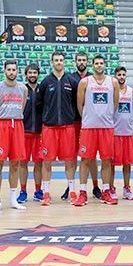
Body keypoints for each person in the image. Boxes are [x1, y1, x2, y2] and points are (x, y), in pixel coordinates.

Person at [36, 51, 79, 206]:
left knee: (70, 161)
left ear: (64, 62)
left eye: (61, 60)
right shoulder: (46, 82)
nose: (59, 62)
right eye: (56, 60)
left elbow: (77, 102)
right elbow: (39, 104)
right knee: (47, 161)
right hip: (49, 128)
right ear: (52, 62)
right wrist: (48, 116)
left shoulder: (72, 81)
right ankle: (46, 193)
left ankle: (72, 191)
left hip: (68, 127)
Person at [77, 55, 120, 205]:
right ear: (92, 65)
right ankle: (82, 192)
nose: (99, 65)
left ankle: (106, 191)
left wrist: (105, 116)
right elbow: (80, 104)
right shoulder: (85, 82)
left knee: (106, 160)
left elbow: (115, 104)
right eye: (96, 63)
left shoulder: (113, 82)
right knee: (85, 160)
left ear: (105, 65)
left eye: (101, 63)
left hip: (106, 127)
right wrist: (89, 117)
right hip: (89, 127)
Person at [0, 60, 27, 212]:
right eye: (9, 69)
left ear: (17, 71)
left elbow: (22, 107)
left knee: (15, 163)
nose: (11, 72)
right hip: (1, 125)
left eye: (14, 69)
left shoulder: (22, 89)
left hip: (17, 124)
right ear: (4, 71)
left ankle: (13, 199)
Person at [64, 52, 93, 200]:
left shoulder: (93, 78)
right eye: (79, 60)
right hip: (74, 121)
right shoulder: (70, 78)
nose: (81, 62)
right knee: (72, 155)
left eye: (84, 60)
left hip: (91, 122)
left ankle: (95, 186)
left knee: (91, 155)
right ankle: (71, 186)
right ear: (75, 62)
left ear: (88, 62)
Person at [109, 66, 133, 201]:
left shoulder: (132, 91)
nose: (121, 77)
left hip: (128, 131)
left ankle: (127, 188)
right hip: (115, 131)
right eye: (119, 74)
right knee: (112, 164)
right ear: (115, 76)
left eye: (123, 74)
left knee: (127, 163)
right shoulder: (111, 91)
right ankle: (110, 187)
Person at [18, 63, 43, 203]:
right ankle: (23, 191)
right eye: (30, 73)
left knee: (38, 163)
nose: (32, 75)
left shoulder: (42, 89)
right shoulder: (21, 89)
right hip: (24, 132)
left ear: (38, 74)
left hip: (39, 132)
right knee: (23, 163)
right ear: (26, 74)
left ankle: (38, 191)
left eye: (35, 72)